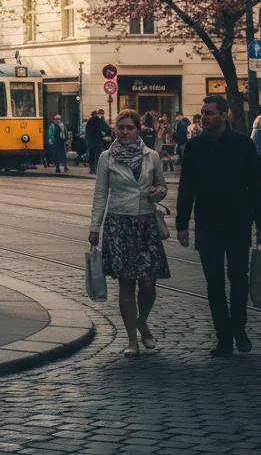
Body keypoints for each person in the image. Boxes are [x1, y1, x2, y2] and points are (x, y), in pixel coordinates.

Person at [175, 95, 261, 356]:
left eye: (210, 113)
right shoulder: (194, 147)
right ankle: (224, 337)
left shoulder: (243, 145)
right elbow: (186, 187)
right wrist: (182, 223)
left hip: (237, 222)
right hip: (207, 223)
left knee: (239, 279)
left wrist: (259, 223)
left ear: (225, 115)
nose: (204, 117)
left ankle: (239, 327)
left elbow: (256, 187)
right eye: (203, 113)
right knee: (214, 283)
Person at [89, 109, 170, 357]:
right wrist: (95, 227)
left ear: (138, 130)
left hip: (145, 223)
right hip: (119, 223)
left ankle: (142, 320)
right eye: (120, 128)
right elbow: (101, 193)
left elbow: (163, 187)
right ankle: (132, 340)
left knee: (148, 284)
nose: (124, 132)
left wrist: (158, 192)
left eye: (129, 128)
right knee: (126, 285)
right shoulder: (106, 157)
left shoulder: (152, 156)